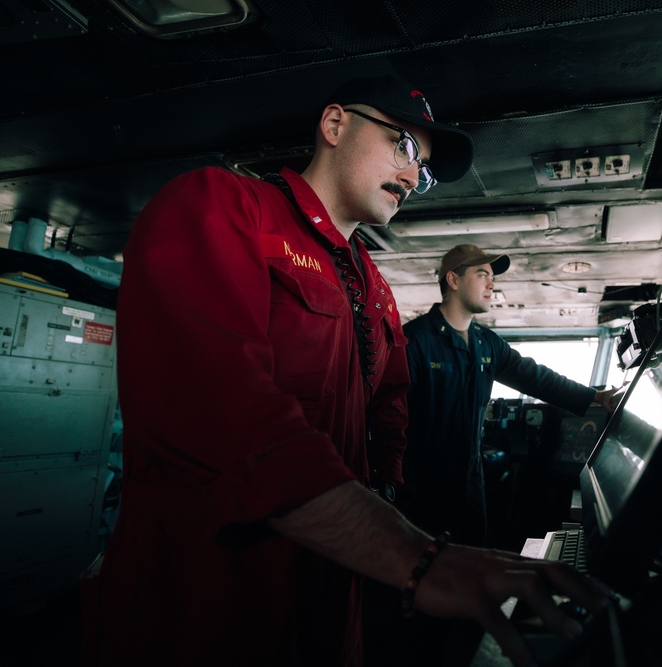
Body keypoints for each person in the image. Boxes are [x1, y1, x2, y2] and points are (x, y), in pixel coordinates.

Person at [84, 74, 610, 667]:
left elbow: (389, 416)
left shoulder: (375, 287)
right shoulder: (221, 205)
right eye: (403, 147)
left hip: (332, 587)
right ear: (334, 125)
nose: (414, 178)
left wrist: (387, 525)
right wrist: (414, 556)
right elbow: (215, 409)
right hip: (208, 590)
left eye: (425, 169)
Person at [401, 244, 621, 548]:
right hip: (424, 488)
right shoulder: (415, 340)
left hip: (471, 481)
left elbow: (535, 377)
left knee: (474, 561)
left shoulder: (486, 343)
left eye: (492, 277)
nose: (492, 284)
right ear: (453, 280)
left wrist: (596, 397)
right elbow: (388, 417)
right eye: (482, 275)